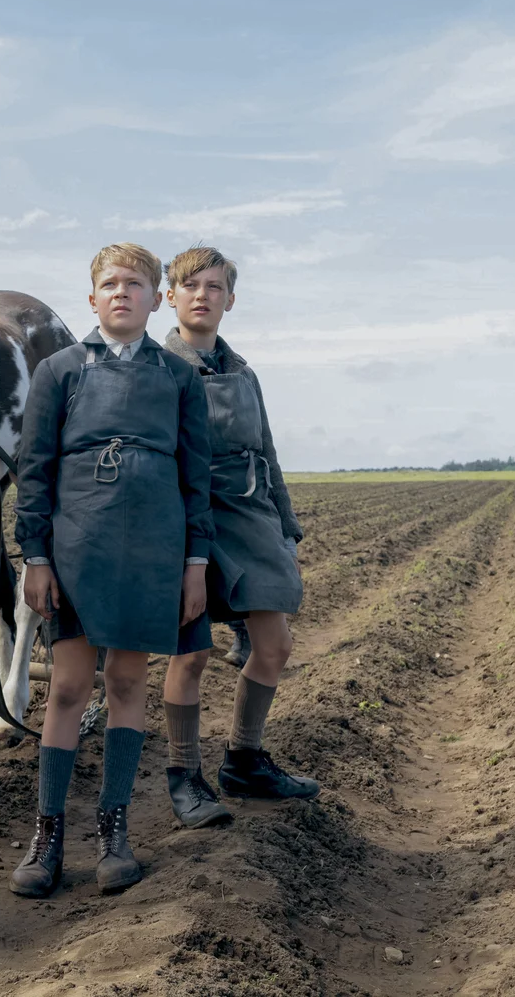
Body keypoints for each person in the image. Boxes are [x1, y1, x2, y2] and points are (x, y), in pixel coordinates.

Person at [8, 243, 214, 898]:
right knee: (69, 687)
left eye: (134, 284)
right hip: (77, 546)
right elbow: (33, 470)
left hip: (154, 547)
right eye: (108, 284)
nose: (121, 293)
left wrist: (195, 564)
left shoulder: (179, 379)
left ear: (157, 299)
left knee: (128, 683)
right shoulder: (61, 371)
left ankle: (113, 830)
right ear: (91, 298)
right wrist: (35, 556)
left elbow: (196, 479)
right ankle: (47, 838)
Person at [159, 246, 317, 828]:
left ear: (231, 298)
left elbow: (267, 452)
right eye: (191, 284)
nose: (203, 294)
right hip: (187, 516)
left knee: (273, 646)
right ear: (169, 296)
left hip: (249, 516)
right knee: (192, 653)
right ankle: (183, 775)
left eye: (216, 286)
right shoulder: (157, 367)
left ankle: (244, 760)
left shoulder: (244, 372)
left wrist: (285, 523)